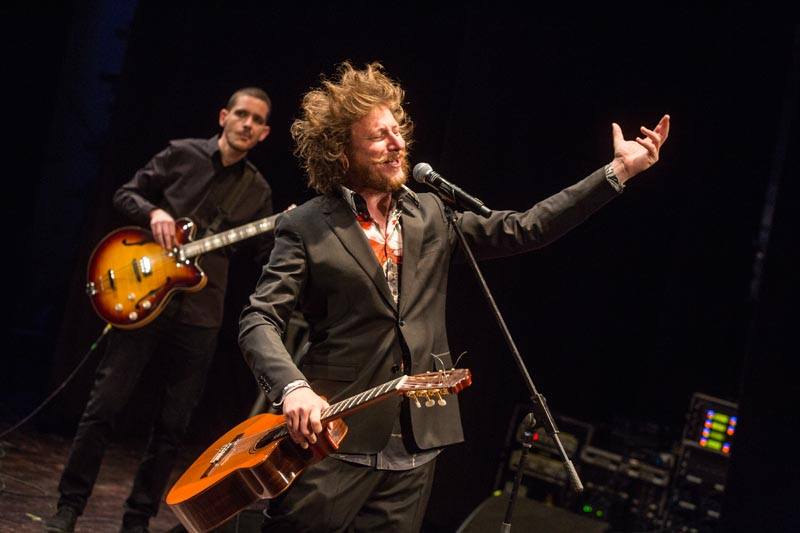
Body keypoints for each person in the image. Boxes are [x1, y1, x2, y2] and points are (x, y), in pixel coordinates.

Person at [238, 62, 670, 532]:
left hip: (415, 447)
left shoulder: (429, 213)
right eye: (379, 136)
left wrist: (618, 171)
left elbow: (526, 228)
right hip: (335, 439)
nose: (398, 144)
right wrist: (293, 388)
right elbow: (259, 318)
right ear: (342, 152)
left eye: (397, 131)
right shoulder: (306, 225)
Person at [46, 87, 275, 533]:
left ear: (264, 134)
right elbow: (125, 194)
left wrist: (292, 240)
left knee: (173, 426)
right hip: (145, 297)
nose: (247, 124)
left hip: (201, 315)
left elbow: (266, 255)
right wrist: (154, 213)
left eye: (257, 121)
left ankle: (137, 519)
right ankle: (68, 508)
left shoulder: (259, 191)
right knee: (104, 407)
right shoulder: (182, 155)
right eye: (241, 115)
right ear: (224, 116)